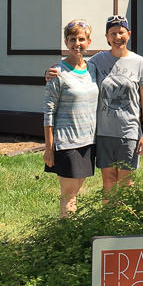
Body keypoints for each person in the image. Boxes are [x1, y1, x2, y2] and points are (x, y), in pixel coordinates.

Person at [49, 14, 143, 199]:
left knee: (126, 183)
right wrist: (51, 72)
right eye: (112, 33)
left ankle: (125, 224)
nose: (117, 37)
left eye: (121, 32)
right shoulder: (97, 61)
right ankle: (107, 224)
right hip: (103, 133)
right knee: (108, 182)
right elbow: (76, 67)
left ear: (128, 34)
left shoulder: (140, 62)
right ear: (107, 37)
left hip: (128, 133)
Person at [42, 19, 98, 218]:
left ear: (89, 42)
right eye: (72, 39)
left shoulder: (93, 69)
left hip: (89, 141)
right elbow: (48, 113)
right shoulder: (57, 73)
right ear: (66, 42)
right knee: (68, 194)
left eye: (81, 39)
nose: (77, 43)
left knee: (76, 192)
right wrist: (49, 149)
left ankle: (72, 235)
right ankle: (66, 237)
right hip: (67, 143)